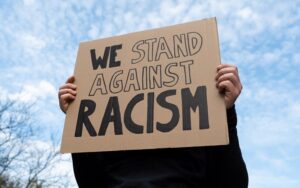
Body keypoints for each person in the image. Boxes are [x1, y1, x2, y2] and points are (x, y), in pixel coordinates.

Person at [58, 64, 248, 188]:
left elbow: (233, 183)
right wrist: (78, 117)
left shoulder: (199, 129)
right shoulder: (111, 135)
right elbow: (90, 182)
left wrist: (225, 114)